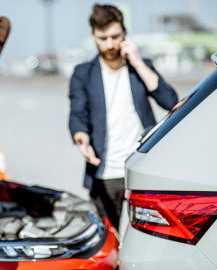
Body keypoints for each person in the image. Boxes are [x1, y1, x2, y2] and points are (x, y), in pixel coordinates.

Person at [68, 4, 178, 233]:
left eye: (115, 36)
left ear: (125, 34)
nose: (109, 44)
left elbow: (170, 101)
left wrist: (137, 62)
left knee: (148, 239)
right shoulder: (83, 73)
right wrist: (82, 140)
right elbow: (78, 113)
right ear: (93, 36)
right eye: (103, 38)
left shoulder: (140, 67)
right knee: (107, 243)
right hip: (103, 174)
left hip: (141, 170)